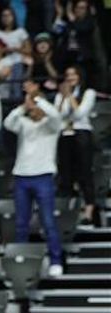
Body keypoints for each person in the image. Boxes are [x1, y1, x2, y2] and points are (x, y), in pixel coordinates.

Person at [54, 65, 97, 225]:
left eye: (73, 74)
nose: (70, 77)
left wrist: (70, 95)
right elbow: (57, 115)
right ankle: (70, 210)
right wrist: (63, 97)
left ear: (79, 76)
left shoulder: (88, 93)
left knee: (84, 172)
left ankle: (89, 210)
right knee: (65, 173)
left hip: (81, 133)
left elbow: (79, 113)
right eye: (67, 74)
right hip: (65, 134)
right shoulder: (61, 94)